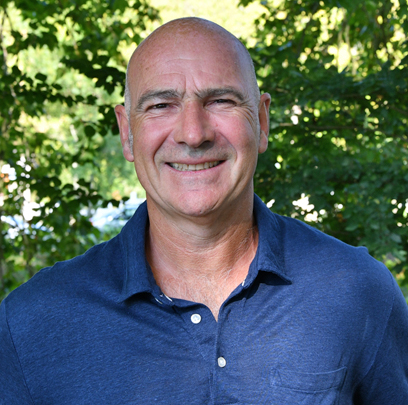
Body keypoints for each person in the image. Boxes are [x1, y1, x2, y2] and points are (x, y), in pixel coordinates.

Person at [1, 17, 407, 404]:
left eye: (221, 101)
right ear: (127, 133)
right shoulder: (32, 323)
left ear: (262, 121)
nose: (193, 134)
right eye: (161, 105)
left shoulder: (356, 291)